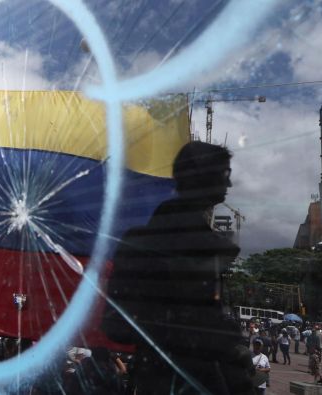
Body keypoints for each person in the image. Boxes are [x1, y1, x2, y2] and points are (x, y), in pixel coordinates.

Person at [102, 141, 253, 394]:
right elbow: (117, 324)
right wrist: (206, 335)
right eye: (224, 174)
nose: (228, 184)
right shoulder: (171, 244)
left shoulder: (197, 243)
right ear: (199, 175)